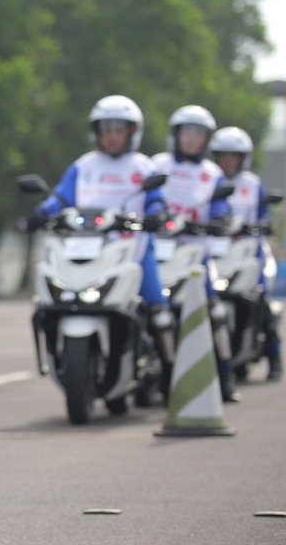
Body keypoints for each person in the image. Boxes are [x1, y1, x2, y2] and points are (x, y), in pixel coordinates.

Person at [32, 95, 177, 388]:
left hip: (133, 250)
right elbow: (59, 198)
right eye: (106, 129)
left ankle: (172, 380)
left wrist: (156, 215)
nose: (111, 136)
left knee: (159, 313)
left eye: (118, 129)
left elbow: (156, 201)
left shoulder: (143, 166)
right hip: (84, 248)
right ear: (96, 132)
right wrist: (41, 214)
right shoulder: (83, 166)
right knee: (53, 301)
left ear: (132, 132)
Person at [151, 105, 239, 401]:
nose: (191, 139)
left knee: (215, 311)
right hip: (158, 249)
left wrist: (219, 219)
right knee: (147, 309)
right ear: (176, 135)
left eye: (198, 134)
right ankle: (156, 374)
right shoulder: (158, 165)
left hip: (195, 253)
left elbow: (220, 206)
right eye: (186, 132)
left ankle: (225, 376)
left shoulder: (212, 174)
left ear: (206, 139)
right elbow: (147, 197)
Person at [210, 125, 282, 381]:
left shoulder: (251, 184)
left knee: (259, 296)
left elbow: (264, 214)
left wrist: (263, 224)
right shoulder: (209, 179)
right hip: (217, 249)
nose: (228, 160)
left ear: (243, 158)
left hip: (249, 250)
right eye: (224, 154)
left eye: (234, 155)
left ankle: (274, 356)